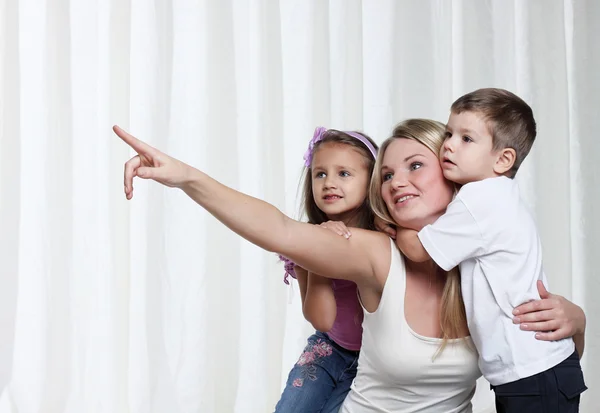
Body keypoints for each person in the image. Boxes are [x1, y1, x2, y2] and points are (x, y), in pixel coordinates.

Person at [113, 119, 586, 412]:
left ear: (455, 175)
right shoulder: (377, 252)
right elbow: (279, 229)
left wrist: (577, 322)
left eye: (416, 166)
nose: (396, 182)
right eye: (386, 174)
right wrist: (187, 177)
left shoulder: (486, 262)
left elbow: (542, 368)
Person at [392, 89, 586, 412]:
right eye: (449, 133)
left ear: (503, 159)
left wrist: (392, 229)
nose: (449, 145)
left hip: (530, 372)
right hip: (540, 367)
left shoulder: (478, 200)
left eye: (466, 139)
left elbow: (418, 250)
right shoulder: (502, 195)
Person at [274, 127, 378, 413]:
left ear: (372, 180)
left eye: (343, 173)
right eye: (320, 174)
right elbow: (321, 319)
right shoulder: (304, 237)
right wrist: (317, 248)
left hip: (378, 359)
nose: (329, 182)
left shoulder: (385, 237)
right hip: (329, 349)